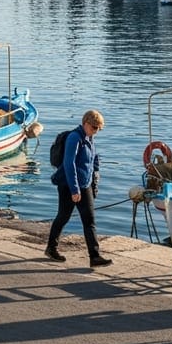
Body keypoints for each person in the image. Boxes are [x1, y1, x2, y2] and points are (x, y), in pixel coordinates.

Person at [46, 109, 112, 267]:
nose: (96, 132)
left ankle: (94, 256)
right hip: (69, 185)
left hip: (85, 184)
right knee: (63, 216)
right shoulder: (74, 138)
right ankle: (51, 247)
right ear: (86, 123)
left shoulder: (89, 138)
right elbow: (69, 164)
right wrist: (75, 190)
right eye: (95, 128)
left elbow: (93, 159)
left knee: (89, 220)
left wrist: (95, 180)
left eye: (99, 129)